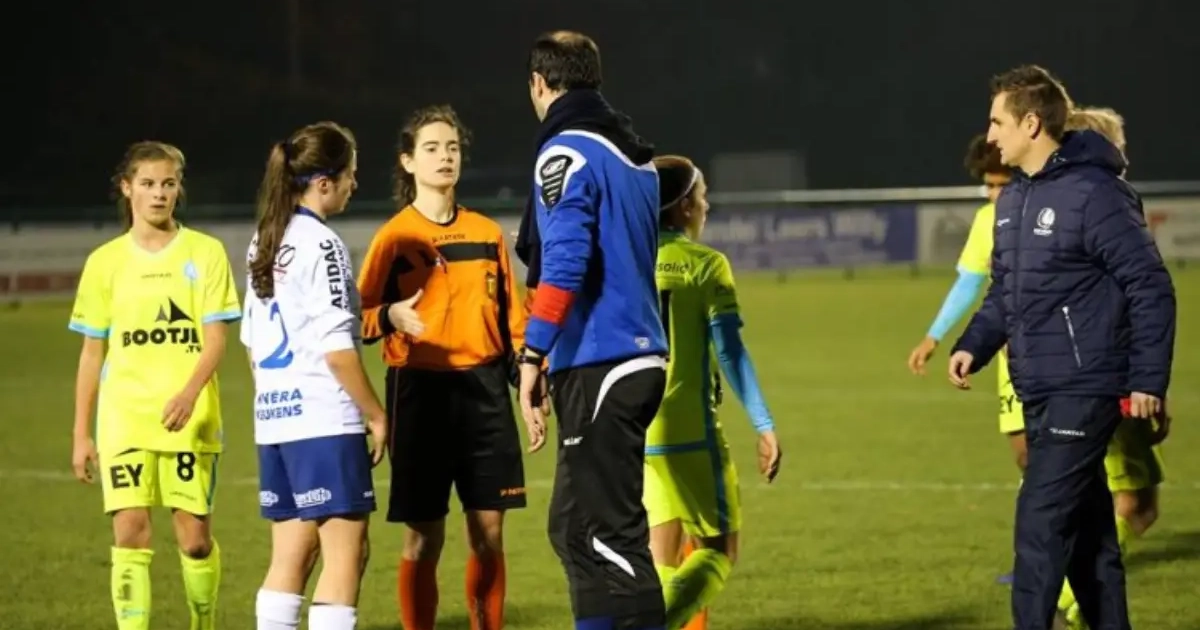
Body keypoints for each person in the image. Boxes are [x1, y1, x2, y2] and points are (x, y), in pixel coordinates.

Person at [948, 65, 1176, 630]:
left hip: (1086, 384)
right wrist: (973, 345)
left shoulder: (1095, 193)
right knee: (1090, 540)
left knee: (1040, 521)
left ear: (1031, 124)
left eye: (998, 122)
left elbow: (1149, 285)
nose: (990, 135)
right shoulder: (1012, 201)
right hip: (1039, 384)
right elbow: (1006, 291)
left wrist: (1148, 379)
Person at [514, 30, 669, 630]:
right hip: (633, 355)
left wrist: (532, 355)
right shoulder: (632, 152)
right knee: (573, 529)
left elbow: (565, 263)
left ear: (539, 83)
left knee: (610, 537)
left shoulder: (564, 153)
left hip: (602, 360)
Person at [356, 104, 527, 630]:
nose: (445, 157)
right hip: (420, 394)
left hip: (485, 394)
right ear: (408, 161)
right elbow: (357, 317)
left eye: (452, 147)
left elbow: (514, 324)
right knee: (423, 536)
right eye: (431, 148)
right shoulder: (394, 238)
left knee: (489, 533)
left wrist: (528, 387)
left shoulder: (486, 232)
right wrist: (389, 315)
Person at [69, 141, 239, 630]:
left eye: (168, 183)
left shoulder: (205, 253)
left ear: (178, 188)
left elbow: (215, 339)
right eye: (147, 183)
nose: (159, 193)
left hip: (189, 415)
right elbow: (92, 352)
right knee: (130, 531)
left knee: (194, 540)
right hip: (124, 417)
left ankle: (203, 623)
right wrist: (81, 434)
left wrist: (189, 393)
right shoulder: (104, 262)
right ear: (127, 188)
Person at [242, 121, 388, 630]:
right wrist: (376, 415)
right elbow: (337, 349)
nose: (355, 184)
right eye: (350, 175)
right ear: (324, 183)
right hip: (323, 421)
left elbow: (252, 344)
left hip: (275, 421)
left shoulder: (264, 239)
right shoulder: (323, 244)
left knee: (292, 556)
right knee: (347, 555)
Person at [645, 155, 782, 630]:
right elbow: (730, 352)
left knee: (662, 558)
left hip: (635, 430)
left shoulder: (627, 261)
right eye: (702, 198)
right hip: (689, 431)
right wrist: (764, 423)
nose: (707, 206)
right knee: (719, 551)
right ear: (684, 206)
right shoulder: (705, 264)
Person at [1049, 106, 1170, 630]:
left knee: (1104, 499)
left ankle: (1064, 598)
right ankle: (1067, 604)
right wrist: (1148, 383)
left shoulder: (1059, 204)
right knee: (1134, 504)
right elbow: (1139, 296)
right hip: (1111, 374)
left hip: (1068, 375)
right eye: (1120, 144)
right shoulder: (1110, 204)